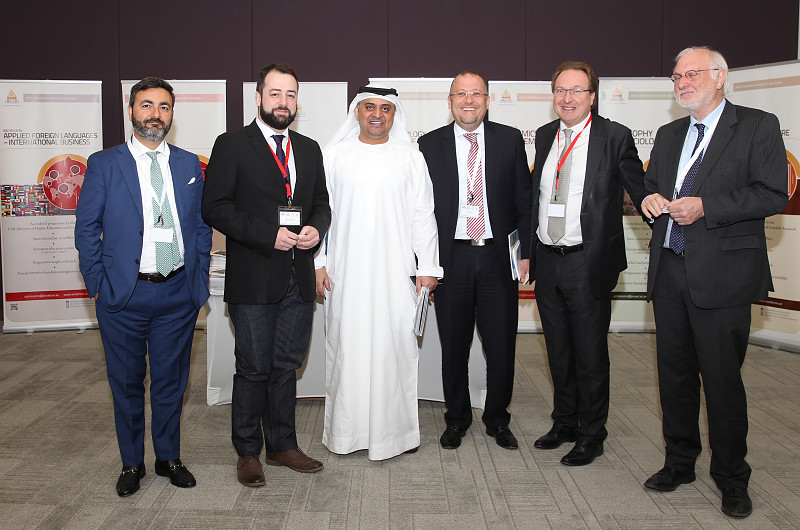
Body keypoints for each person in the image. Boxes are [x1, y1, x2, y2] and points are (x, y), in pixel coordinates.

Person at [639, 46, 787, 518]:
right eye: (677, 76)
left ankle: (731, 477)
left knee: (722, 382)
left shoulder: (757, 125)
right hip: (670, 270)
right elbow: (653, 188)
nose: (682, 83)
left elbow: (773, 193)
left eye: (693, 74)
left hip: (723, 275)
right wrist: (648, 201)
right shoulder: (669, 134)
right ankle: (679, 462)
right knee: (674, 378)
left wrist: (707, 207)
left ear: (720, 77)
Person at [75, 77, 212, 496]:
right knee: (127, 383)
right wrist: (98, 284)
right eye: (147, 105)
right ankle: (131, 463)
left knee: (172, 382)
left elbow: (201, 226)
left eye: (164, 107)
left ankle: (168, 457)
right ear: (131, 110)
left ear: (172, 114)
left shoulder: (189, 165)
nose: (155, 114)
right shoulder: (104, 163)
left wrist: (198, 282)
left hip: (177, 294)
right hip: (123, 296)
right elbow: (86, 229)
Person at [202, 64, 331, 487]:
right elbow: (215, 207)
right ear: (258, 98)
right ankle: (248, 452)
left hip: (298, 275)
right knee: (254, 367)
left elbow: (321, 202)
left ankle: (282, 445)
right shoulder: (232, 144)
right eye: (275, 93)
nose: (283, 102)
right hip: (254, 276)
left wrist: (316, 228)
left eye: (290, 95)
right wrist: (266, 234)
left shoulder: (309, 148)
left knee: (286, 366)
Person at [315, 85, 442, 460]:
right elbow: (320, 215)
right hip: (345, 273)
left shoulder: (410, 157)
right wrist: (318, 263)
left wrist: (428, 268)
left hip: (395, 275)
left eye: (385, 109)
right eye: (369, 107)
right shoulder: (334, 156)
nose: (376, 114)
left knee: (395, 350)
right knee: (347, 349)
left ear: (394, 115)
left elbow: (423, 216)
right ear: (356, 112)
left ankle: (397, 435)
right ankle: (346, 434)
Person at [530, 62, 646, 466]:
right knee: (558, 350)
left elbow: (639, 188)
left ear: (592, 96)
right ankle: (565, 422)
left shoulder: (614, 136)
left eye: (577, 90)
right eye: (561, 90)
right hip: (548, 260)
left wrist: (661, 208)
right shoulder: (545, 135)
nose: (568, 98)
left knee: (590, 354)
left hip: (587, 261)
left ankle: (592, 434)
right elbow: (536, 195)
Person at [418, 71, 532, 450]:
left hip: (499, 258)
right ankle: (457, 419)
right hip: (452, 260)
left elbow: (524, 201)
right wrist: (424, 263)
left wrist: (525, 254)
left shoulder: (509, 139)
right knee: (454, 348)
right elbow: (420, 210)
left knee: (501, 348)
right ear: (450, 101)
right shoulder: (428, 145)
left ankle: (497, 419)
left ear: (487, 100)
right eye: (461, 94)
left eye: (476, 94)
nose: (469, 100)